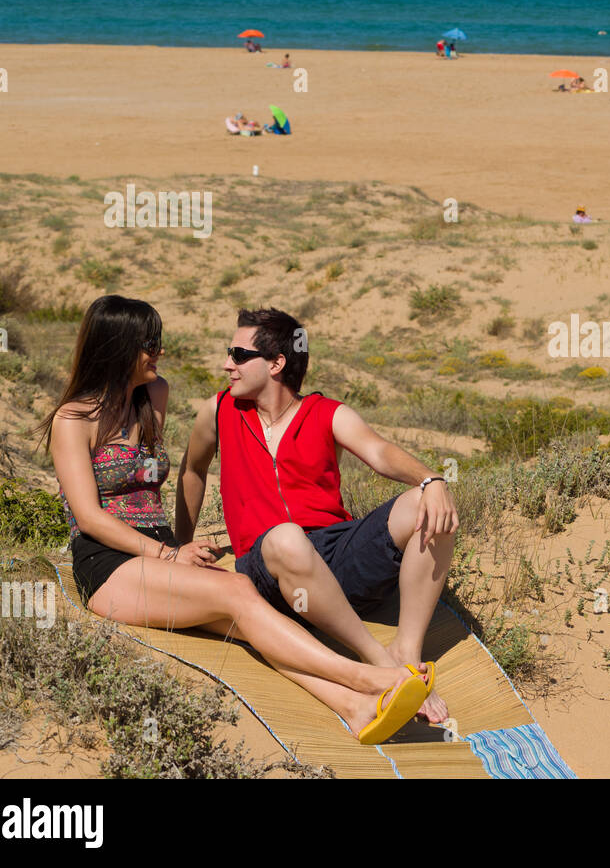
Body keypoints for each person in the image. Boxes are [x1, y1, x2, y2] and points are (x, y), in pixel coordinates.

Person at [43, 296, 432, 745]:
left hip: (158, 552)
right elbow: (89, 518)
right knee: (239, 591)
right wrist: (169, 552)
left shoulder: (153, 395)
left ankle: (354, 708)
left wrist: (176, 546)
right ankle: (371, 678)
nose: (160, 352)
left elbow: (178, 476)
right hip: (108, 563)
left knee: (251, 623)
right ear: (118, 347)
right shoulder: (73, 419)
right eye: (150, 343)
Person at [176, 308, 457, 724]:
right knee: (286, 538)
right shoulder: (219, 411)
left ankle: (406, 652)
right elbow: (192, 469)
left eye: (238, 354)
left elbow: (379, 452)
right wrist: (181, 544)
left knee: (427, 503)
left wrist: (431, 480)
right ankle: (381, 665)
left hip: (334, 557)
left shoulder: (326, 412)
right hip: (266, 568)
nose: (227, 364)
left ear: (276, 363)